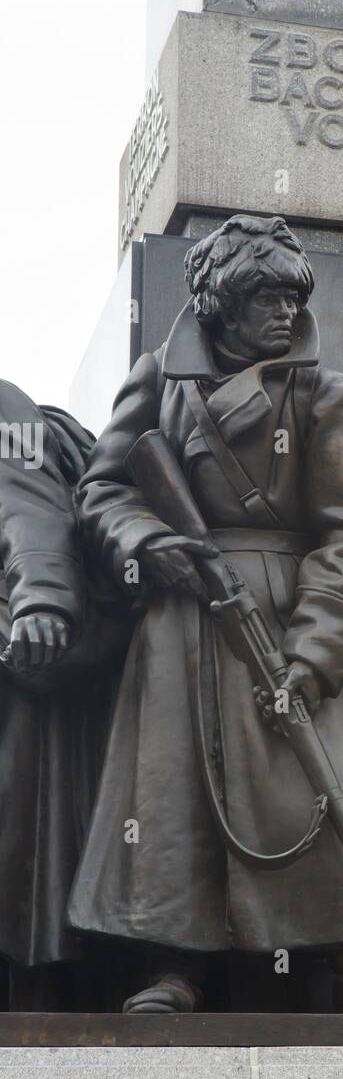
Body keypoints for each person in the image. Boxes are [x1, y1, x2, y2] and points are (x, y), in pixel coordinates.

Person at [68, 215, 343, 1016]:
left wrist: (315, 652)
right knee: (170, 797)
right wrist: (148, 541)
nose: (281, 312)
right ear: (218, 303)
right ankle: (172, 963)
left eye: (289, 296)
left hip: (283, 609)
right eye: (262, 296)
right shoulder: (158, 382)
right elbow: (102, 489)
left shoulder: (329, 394)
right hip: (182, 614)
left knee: (315, 780)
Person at [0, 380, 127, 1006]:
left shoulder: (1, 405)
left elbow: (31, 508)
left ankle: (36, 987)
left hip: (24, 658)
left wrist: (41, 602)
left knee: (23, 848)